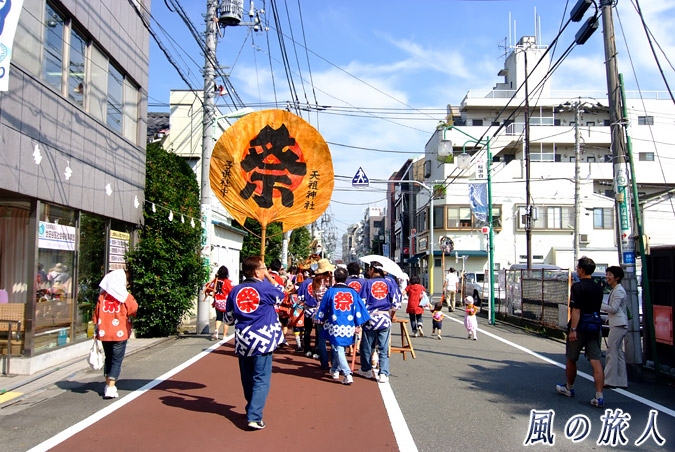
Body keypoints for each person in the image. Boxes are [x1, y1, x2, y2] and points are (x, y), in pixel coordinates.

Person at [224, 256, 285, 430]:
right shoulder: (265, 287)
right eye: (263, 268)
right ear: (257, 272)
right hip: (262, 339)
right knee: (262, 377)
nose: (266, 271)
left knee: (247, 377)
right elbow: (282, 293)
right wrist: (270, 277)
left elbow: (228, 319)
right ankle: (254, 415)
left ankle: (252, 407)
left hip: (243, 339)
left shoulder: (235, 290)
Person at [556, 256, 605, 408]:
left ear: (582, 270)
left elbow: (576, 310)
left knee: (572, 358)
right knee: (596, 360)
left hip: (580, 327)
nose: (577, 270)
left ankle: (569, 388)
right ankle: (599, 396)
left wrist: (573, 330)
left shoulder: (577, 287)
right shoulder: (599, 288)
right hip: (595, 326)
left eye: (578, 268)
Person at [316, 267, 371, 385]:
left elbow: (324, 307)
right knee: (340, 347)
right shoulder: (352, 292)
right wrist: (359, 323)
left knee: (338, 348)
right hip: (349, 325)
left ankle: (347, 373)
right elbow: (359, 308)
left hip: (335, 324)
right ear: (346, 278)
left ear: (334, 278)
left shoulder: (330, 291)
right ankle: (335, 369)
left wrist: (321, 318)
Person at [93, 269, 138, 399]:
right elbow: (133, 309)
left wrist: (96, 328)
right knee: (116, 359)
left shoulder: (103, 296)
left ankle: (108, 382)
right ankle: (111, 387)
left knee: (109, 357)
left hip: (104, 332)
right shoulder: (124, 295)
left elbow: (96, 313)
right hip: (120, 332)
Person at [358, 262, 401, 383]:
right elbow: (396, 303)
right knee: (383, 347)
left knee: (366, 345)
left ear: (372, 269)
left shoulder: (368, 283)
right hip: (385, 318)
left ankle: (366, 369)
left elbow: (362, 302)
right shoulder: (389, 283)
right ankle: (383, 373)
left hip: (370, 319)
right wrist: (391, 313)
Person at [602, 266, 628, 389]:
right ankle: (621, 381)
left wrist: (599, 304)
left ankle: (608, 380)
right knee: (618, 352)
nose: (607, 277)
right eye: (607, 274)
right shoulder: (616, 289)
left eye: (610, 275)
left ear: (617, 277)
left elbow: (613, 308)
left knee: (611, 351)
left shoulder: (618, 291)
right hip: (618, 323)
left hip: (618, 324)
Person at [309, 258, 335, 369]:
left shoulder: (315, 282)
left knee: (321, 339)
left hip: (318, 311)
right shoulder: (331, 282)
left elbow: (315, 297)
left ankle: (324, 363)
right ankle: (334, 363)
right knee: (333, 338)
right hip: (330, 311)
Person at [204, 266, 233, 341]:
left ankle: (216, 330)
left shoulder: (216, 281)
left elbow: (208, 286)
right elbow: (232, 291)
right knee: (226, 319)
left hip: (218, 302)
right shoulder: (227, 282)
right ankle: (224, 335)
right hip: (226, 303)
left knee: (219, 317)